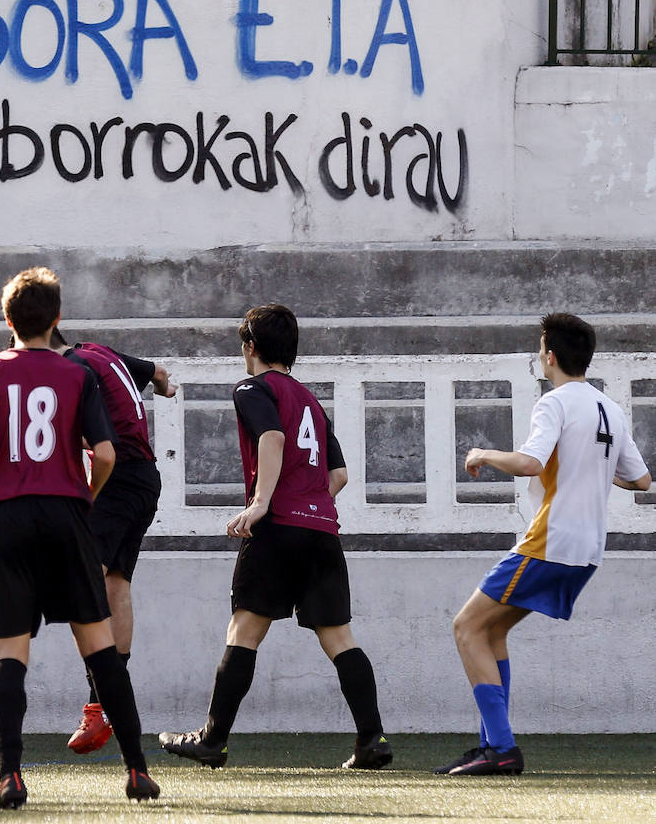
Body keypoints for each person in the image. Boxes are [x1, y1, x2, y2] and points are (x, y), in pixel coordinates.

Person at [0, 267, 160, 809]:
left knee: (10, 651)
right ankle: (137, 770)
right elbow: (108, 453)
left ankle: (10, 778)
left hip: (8, 515)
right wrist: (83, 495)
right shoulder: (77, 374)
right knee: (98, 648)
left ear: (7, 319)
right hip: (66, 514)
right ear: (58, 318)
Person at [158, 303, 392, 771]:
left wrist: (263, 502)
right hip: (321, 530)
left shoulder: (251, 388)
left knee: (244, 630)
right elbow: (339, 474)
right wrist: (308, 501)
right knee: (339, 636)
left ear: (250, 346)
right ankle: (372, 740)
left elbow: (272, 438)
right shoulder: (310, 400)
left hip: (278, 527)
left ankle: (212, 740)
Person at [436, 312, 650, 776]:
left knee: (465, 627)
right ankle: (492, 743)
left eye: (540, 350)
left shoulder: (553, 403)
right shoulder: (608, 407)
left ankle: (502, 748)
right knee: (492, 632)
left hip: (549, 541)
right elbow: (642, 479)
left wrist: (481, 454)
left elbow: (530, 463)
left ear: (549, 356)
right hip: (588, 549)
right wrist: (589, 466)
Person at [49, 330, 176, 754]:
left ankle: (99, 704)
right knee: (115, 586)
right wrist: (165, 386)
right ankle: (105, 704)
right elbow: (157, 372)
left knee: (81, 586)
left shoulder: (72, 367)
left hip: (118, 480)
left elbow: (93, 443)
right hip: (144, 479)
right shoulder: (97, 352)